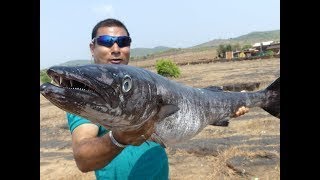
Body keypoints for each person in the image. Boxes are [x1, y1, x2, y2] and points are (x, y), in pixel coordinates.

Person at [66, 18, 249, 180]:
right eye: (106, 42)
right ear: (93, 47)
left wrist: (224, 108)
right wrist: (120, 137)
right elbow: (83, 160)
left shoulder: (145, 83)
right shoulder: (89, 96)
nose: (116, 49)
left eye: (123, 42)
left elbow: (188, 112)